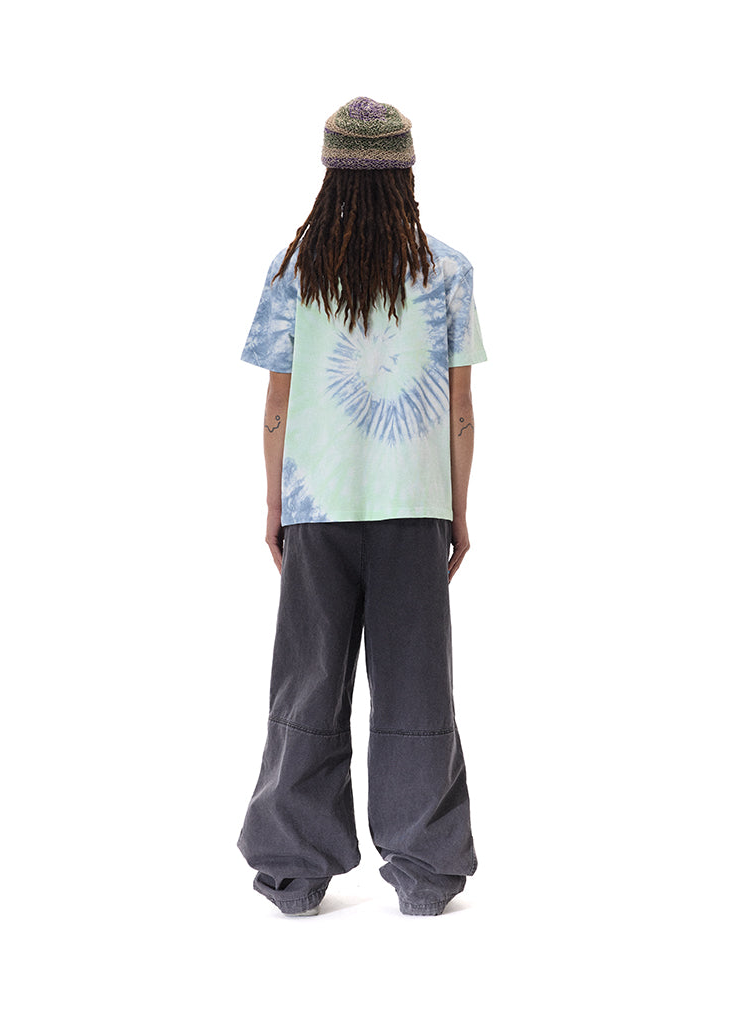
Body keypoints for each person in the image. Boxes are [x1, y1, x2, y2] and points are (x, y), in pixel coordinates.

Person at [237, 96, 487, 916]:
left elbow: (277, 407)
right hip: (415, 508)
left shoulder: (294, 270)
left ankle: (293, 873)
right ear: (406, 172)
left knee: (308, 683)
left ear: (330, 174)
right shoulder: (448, 271)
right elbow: (459, 410)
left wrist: (274, 504)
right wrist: (458, 511)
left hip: (317, 506)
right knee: (417, 686)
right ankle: (426, 872)